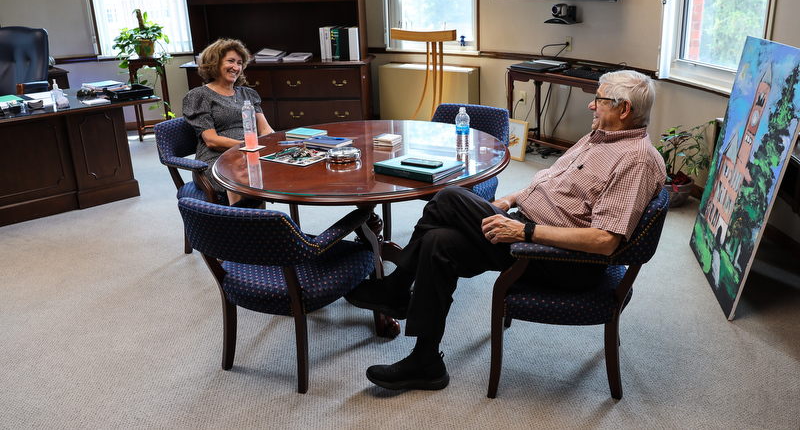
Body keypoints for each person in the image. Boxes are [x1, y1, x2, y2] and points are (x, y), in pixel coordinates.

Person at [345, 70, 667, 391]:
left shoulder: (635, 160)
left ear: (624, 110)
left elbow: (604, 241)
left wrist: (524, 232)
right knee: (437, 242)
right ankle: (426, 362)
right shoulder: (597, 138)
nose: (591, 107)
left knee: (449, 197)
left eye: (599, 100)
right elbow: (552, 185)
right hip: (527, 228)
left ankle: (396, 289)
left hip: (564, 262)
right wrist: (512, 198)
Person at [183, 38, 274, 205]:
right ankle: (239, 228)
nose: (236, 67)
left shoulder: (248, 94)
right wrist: (249, 146)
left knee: (278, 168)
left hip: (250, 153)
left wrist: (269, 145)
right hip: (215, 159)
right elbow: (211, 141)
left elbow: (266, 130)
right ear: (214, 63)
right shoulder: (199, 96)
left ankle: (259, 225)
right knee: (239, 174)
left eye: (239, 63)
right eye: (230, 61)